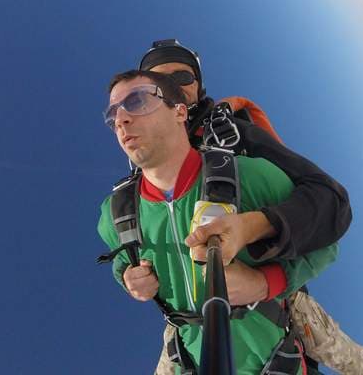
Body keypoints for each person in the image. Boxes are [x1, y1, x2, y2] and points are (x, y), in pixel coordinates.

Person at [139, 40, 363, 375]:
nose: (172, 87)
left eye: (182, 76)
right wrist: (135, 274)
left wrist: (264, 268)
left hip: (275, 296)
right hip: (186, 316)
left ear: (199, 87)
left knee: (359, 365)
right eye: (158, 83)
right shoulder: (145, 169)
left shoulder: (230, 135)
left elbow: (331, 203)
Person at [98, 70, 338, 374]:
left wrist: (264, 283)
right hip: (189, 359)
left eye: (137, 101)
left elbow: (324, 241)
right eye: (113, 113)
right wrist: (128, 278)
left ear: (179, 112)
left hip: (272, 361)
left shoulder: (250, 177)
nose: (121, 119)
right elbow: (119, 257)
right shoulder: (116, 213)